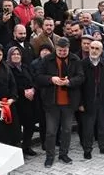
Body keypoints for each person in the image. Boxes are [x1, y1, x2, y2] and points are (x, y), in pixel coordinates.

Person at [34, 37, 83, 167]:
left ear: (68, 49)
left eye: (64, 50)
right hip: (51, 102)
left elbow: (81, 77)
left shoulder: (75, 59)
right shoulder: (47, 59)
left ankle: (63, 154)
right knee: (51, 131)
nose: (62, 53)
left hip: (68, 102)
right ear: (55, 48)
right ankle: (50, 156)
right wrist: (51, 79)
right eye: (60, 50)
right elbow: (38, 77)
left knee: (67, 130)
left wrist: (69, 82)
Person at [79, 40, 104, 159]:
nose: (94, 50)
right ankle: (87, 149)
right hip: (87, 101)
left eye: (97, 49)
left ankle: (103, 147)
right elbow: (78, 86)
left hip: (103, 101)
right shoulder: (82, 64)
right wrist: (80, 103)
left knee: (103, 126)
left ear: (101, 51)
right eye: (92, 48)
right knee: (88, 127)